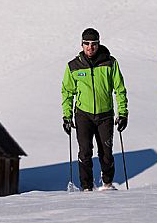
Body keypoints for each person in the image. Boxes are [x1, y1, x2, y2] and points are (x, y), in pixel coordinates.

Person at [61, 28, 129, 191]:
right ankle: (86, 187)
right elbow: (67, 92)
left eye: (93, 44)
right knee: (85, 152)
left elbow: (119, 89)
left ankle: (107, 183)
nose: (90, 47)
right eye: (87, 44)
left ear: (99, 44)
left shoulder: (110, 63)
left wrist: (123, 113)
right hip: (83, 115)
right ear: (82, 44)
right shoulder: (73, 66)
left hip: (105, 115)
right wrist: (67, 116)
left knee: (106, 152)